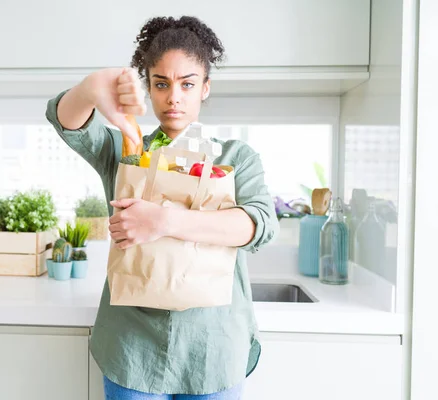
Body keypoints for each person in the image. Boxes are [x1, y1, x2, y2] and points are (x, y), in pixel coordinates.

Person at [46, 15, 279, 399]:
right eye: (161, 84)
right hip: (132, 346)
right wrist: (90, 89)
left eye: (187, 84)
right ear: (149, 88)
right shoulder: (127, 148)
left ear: (205, 88)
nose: (174, 97)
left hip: (213, 345)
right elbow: (69, 122)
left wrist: (164, 220)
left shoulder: (236, 158)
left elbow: (258, 225)